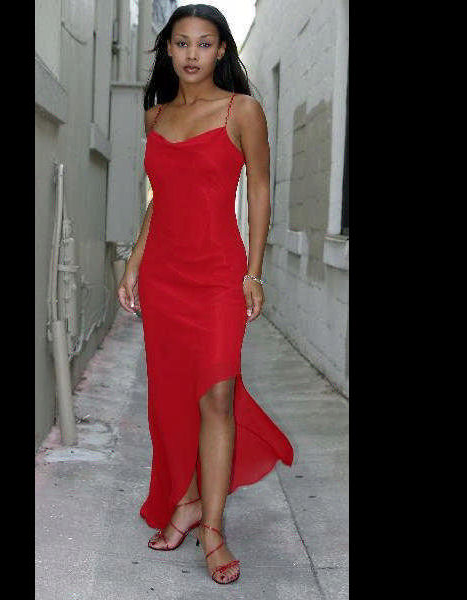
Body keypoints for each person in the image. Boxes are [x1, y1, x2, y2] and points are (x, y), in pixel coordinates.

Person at [117, 4, 293, 586]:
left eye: (205, 43)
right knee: (171, 398)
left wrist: (255, 272)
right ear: (167, 49)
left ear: (221, 51)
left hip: (219, 273)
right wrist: (134, 264)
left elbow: (260, 190)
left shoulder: (242, 111)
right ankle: (187, 502)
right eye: (182, 42)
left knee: (217, 393)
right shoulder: (155, 116)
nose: (192, 54)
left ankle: (212, 528)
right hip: (164, 276)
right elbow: (160, 200)